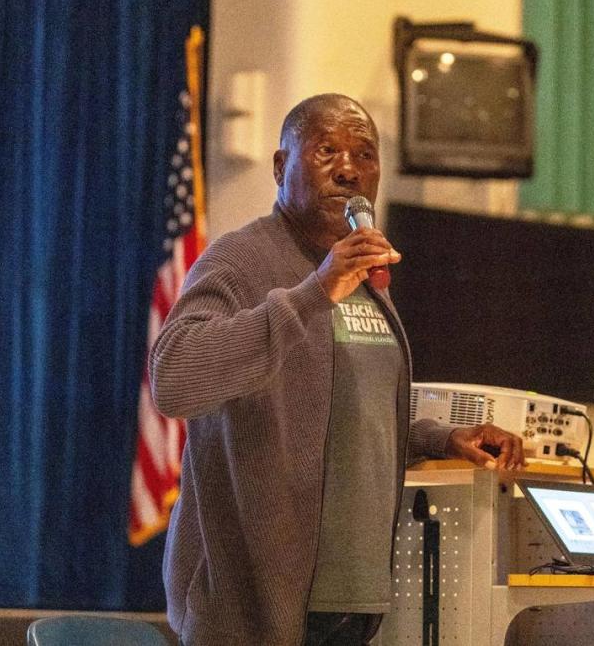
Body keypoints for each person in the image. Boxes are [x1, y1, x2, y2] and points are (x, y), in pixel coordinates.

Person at [151, 93, 525, 646]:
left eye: (365, 155)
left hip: (353, 600)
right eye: (326, 150)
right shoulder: (240, 259)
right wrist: (313, 293)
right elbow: (174, 377)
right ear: (281, 167)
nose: (348, 170)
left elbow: (348, 414)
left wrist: (443, 436)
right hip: (249, 605)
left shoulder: (367, 280)